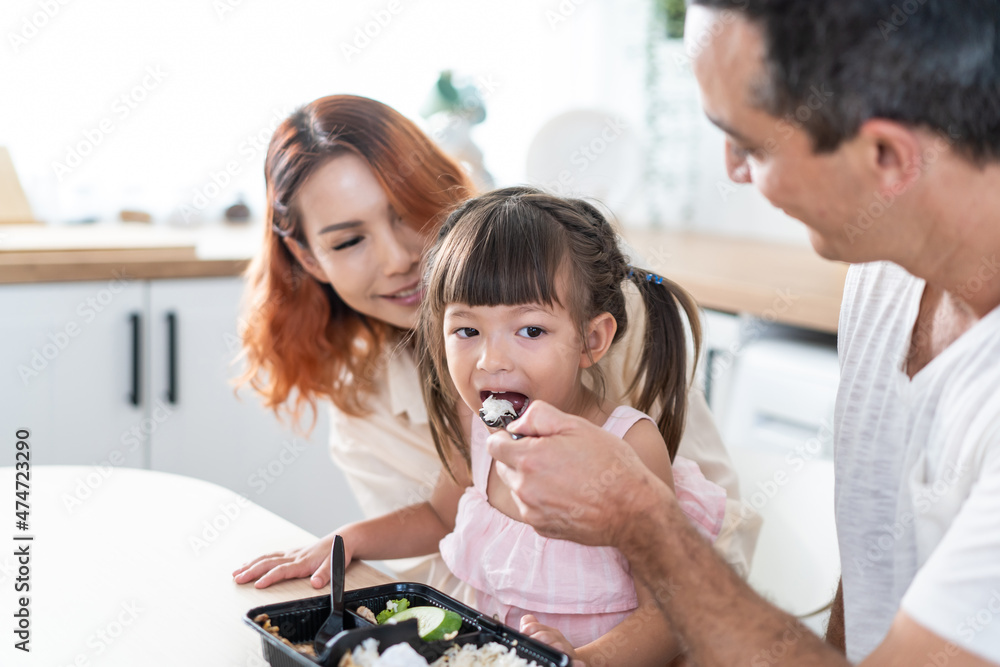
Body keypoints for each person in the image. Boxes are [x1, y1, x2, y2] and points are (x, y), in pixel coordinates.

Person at [487, 1, 1000, 666]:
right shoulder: (885, 265)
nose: (732, 167)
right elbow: (883, 572)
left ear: (885, 157)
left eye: (752, 145)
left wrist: (641, 519)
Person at [230, 95, 758, 600]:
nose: (396, 260)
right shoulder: (368, 410)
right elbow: (446, 567)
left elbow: (703, 549)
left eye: (407, 210)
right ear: (309, 257)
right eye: (349, 241)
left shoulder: (599, 316)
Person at [325, 187, 726, 666]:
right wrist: (348, 540)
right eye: (466, 331)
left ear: (591, 340)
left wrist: (584, 659)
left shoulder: (628, 447)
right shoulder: (475, 425)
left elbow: (670, 611)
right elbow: (439, 518)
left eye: (530, 331)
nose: (491, 361)